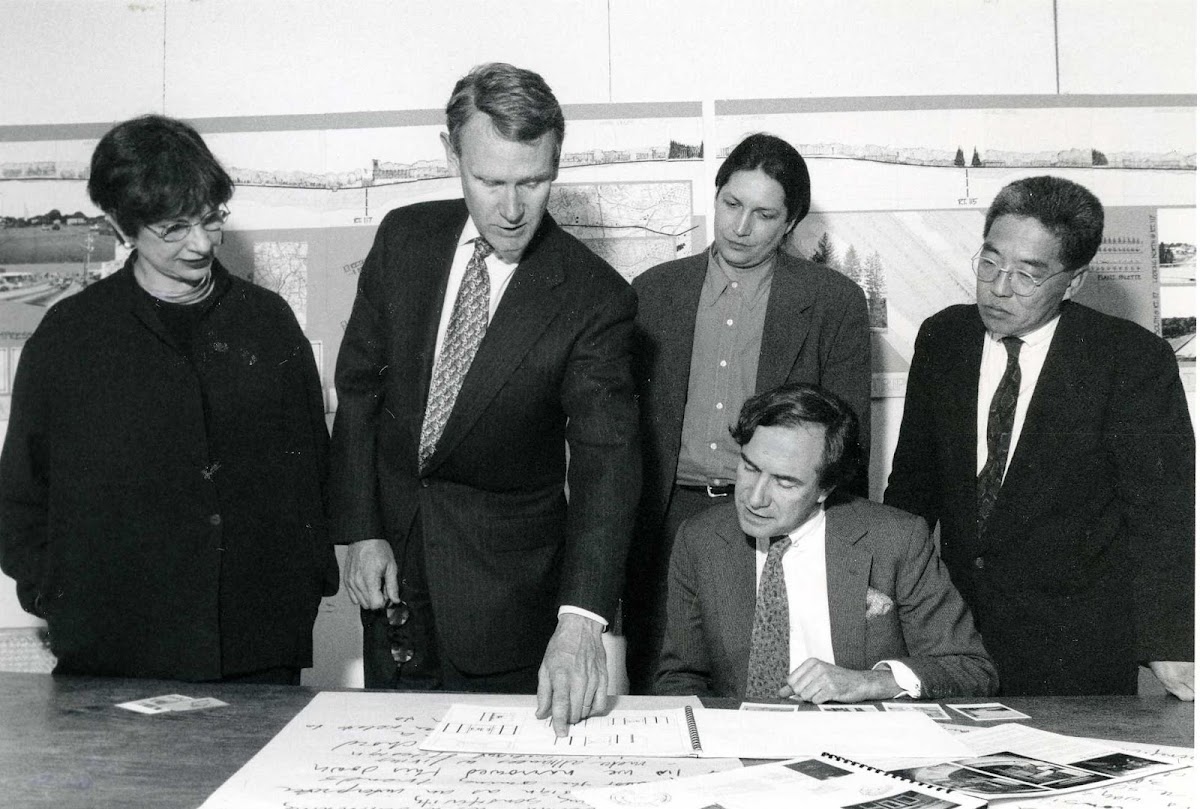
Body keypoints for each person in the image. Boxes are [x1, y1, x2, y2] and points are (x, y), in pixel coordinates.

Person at [330, 62, 639, 732]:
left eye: (534, 181)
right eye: (490, 180)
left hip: (506, 604)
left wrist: (582, 621)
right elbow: (359, 389)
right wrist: (361, 527)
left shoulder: (594, 298)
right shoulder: (403, 238)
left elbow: (606, 469)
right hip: (393, 585)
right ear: (451, 155)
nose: (512, 208)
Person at [0, 115, 337, 683]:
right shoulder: (69, 336)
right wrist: (58, 596)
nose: (201, 244)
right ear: (121, 225)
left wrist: (305, 584)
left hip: (256, 646)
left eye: (210, 220)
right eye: (174, 229)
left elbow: (316, 471)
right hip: (113, 651)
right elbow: (20, 495)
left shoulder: (267, 322)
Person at [885, 176, 1194, 698]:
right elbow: (913, 484)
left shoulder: (1131, 360)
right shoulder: (944, 337)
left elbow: (1163, 513)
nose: (999, 288)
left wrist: (1170, 644)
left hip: (1075, 647)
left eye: (1027, 276)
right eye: (989, 263)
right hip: (951, 637)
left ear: (1073, 282)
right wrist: (882, 589)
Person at [626, 133, 871, 692]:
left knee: (770, 683)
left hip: (778, 519)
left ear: (789, 224)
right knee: (666, 683)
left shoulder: (833, 302)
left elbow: (849, 447)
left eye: (763, 215)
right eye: (731, 205)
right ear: (714, 197)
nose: (740, 228)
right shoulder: (653, 292)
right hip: (666, 519)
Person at [655, 383, 996, 702]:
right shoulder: (700, 539)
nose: (755, 498)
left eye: (784, 482)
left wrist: (868, 682)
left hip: (859, 743)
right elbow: (681, 677)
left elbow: (972, 669)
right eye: (750, 467)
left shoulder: (896, 540)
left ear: (825, 490)